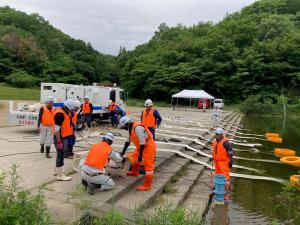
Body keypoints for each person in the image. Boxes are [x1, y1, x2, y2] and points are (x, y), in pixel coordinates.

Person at [119, 116, 156, 191]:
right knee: (135, 157)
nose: (125, 129)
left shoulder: (137, 128)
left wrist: (140, 154)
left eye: (124, 127)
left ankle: (147, 185)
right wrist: (122, 152)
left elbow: (142, 142)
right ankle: (135, 172)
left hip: (148, 146)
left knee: (149, 165)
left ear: (127, 124)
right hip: (141, 147)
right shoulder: (131, 128)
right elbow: (127, 142)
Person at [53, 99, 76, 181]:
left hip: (65, 137)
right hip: (60, 138)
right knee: (61, 155)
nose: (73, 110)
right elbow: (56, 130)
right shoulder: (60, 114)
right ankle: (60, 175)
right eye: (72, 109)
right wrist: (59, 141)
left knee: (60, 154)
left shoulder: (65, 112)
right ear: (67, 107)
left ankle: (58, 170)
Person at [212, 128, 234, 201]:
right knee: (218, 176)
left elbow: (231, 152)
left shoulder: (226, 142)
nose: (216, 135)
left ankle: (226, 194)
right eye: (216, 134)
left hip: (224, 163)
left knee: (226, 178)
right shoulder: (216, 141)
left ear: (221, 135)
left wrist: (231, 161)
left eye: (217, 134)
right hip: (217, 163)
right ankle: (218, 190)